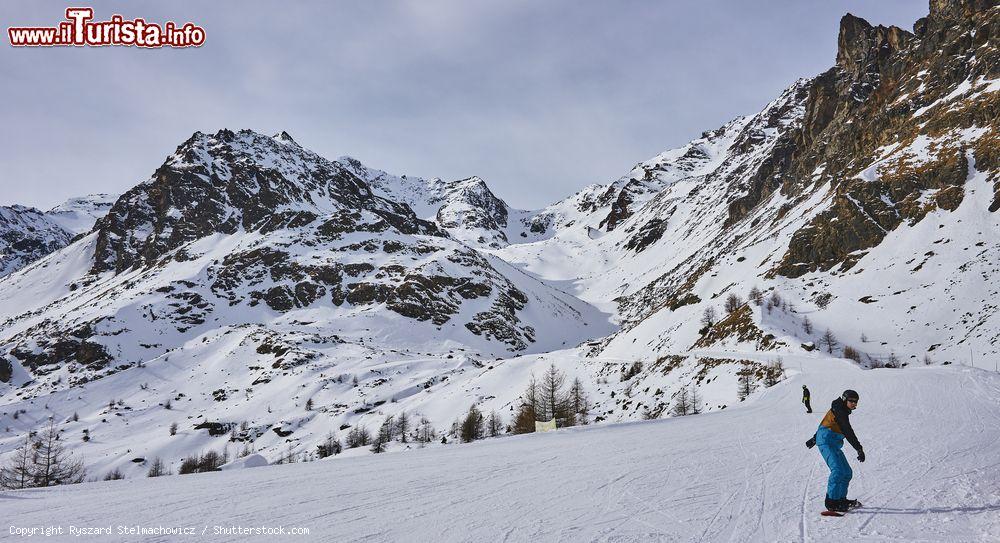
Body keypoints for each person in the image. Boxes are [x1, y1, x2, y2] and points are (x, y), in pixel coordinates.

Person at [805, 389, 865, 512]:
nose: (854, 404)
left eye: (856, 402)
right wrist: (858, 448)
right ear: (844, 400)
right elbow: (847, 431)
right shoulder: (840, 411)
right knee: (837, 470)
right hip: (827, 442)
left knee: (847, 472)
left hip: (833, 443)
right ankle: (832, 502)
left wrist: (813, 438)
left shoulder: (840, 410)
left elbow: (826, 423)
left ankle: (841, 499)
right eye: (851, 401)